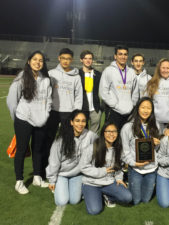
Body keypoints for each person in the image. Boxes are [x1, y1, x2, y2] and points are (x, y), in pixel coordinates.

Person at [7, 50, 52, 194]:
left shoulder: (46, 79)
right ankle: (19, 182)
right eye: (35, 59)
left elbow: (49, 100)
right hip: (24, 120)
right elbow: (11, 101)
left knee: (38, 150)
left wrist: (46, 115)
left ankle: (37, 177)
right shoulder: (22, 77)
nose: (38, 62)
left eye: (40, 60)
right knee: (21, 150)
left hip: (41, 120)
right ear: (29, 61)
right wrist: (18, 119)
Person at [43, 48, 83, 174]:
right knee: (49, 139)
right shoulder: (51, 73)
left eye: (68, 59)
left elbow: (79, 95)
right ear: (59, 58)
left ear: (72, 60)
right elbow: (46, 93)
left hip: (69, 113)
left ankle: (66, 166)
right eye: (63, 58)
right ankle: (47, 165)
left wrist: (76, 112)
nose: (66, 61)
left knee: (67, 140)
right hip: (53, 111)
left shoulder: (76, 76)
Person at [46, 110, 97, 206]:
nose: (80, 124)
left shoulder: (90, 136)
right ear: (71, 122)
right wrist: (52, 180)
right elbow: (54, 161)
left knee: (74, 201)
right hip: (62, 174)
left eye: (83, 121)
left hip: (77, 174)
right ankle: (59, 187)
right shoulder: (61, 139)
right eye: (77, 121)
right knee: (62, 201)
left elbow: (101, 144)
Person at [81, 122, 132, 215]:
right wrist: (103, 171)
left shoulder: (118, 149)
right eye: (108, 131)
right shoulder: (93, 147)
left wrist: (119, 179)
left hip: (109, 182)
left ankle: (107, 196)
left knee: (128, 197)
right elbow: (83, 167)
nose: (111, 134)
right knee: (94, 210)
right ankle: (91, 194)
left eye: (114, 131)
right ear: (103, 133)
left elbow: (118, 167)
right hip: (91, 183)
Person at [121, 97, 160, 205]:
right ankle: (127, 182)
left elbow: (156, 151)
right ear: (137, 108)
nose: (146, 110)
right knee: (136, 200)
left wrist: (156, 144)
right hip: (136, 169)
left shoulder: (155, 125)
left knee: (146, 200)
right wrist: (134, 163)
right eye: (143, 107)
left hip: (151, 169)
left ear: (152, 110)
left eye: (149, 108)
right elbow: (124, 152)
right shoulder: (128, 127)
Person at [100, 45, 139, 130]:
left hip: (128, 112)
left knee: (125, 136)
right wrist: (114, 105)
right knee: (112, 136)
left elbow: (135, 92)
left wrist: (132, 105)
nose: (123, 57)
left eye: (125, 54)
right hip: (114, 111)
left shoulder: (132, 72)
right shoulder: (108, 70)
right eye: (120, 54)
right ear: (115, 56)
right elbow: (103, 92)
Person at [79, 50, 102, 134]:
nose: (88, 60)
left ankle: (92, 147)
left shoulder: (98, 74)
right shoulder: (77, 74)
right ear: (81, 60)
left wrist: (100, 108)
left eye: (90, 58)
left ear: (92, 60)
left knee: (94, 134)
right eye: (85, 58)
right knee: (81, 133)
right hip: (82, 108)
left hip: (94, 109)